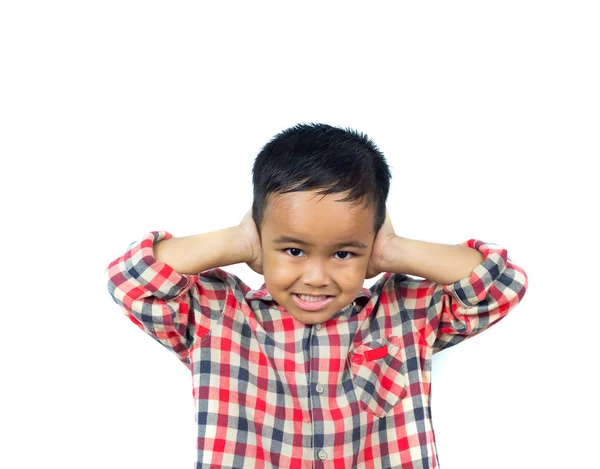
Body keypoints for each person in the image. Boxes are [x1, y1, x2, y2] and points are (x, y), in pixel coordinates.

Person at [105, 122, 528, 469]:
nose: (316, 276)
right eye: (293, 250)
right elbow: (130, 279)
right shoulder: (218, 315)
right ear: (259, 237)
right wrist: (237, 239)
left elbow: (502, 284)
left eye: (344, 252)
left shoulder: (404, 314)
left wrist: (392, 250)